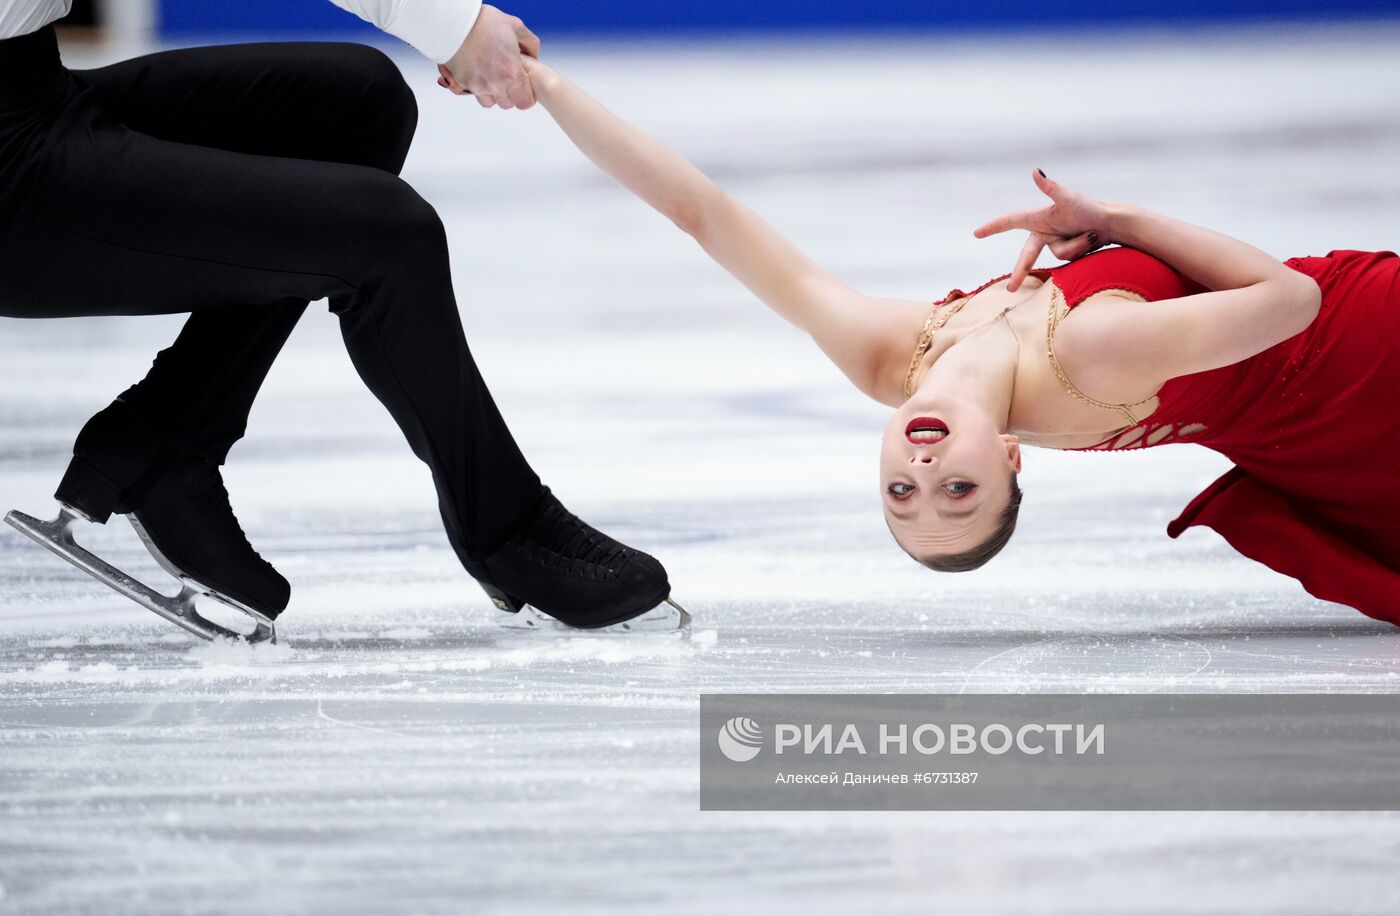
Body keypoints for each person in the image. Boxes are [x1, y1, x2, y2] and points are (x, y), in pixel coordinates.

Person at [519, 56, 1400, 627]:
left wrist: (544, 86)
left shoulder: (887, 356)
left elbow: (704, 215)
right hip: (1369, 352)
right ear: (1014, 456)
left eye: (902, 491)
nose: (926, 472)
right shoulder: (1093, 358)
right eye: (961, 490)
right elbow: (1290, 301)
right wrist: (1116, 218)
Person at [0, 1, 685, 641]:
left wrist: (453, 25)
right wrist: (456, 27)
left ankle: (165, 440)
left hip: (32, 91)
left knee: (360, 103)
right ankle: (506, 529)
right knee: (390, 236)